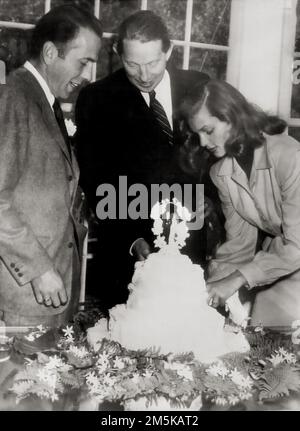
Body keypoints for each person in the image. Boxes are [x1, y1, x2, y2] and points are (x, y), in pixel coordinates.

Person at [75, 10, 213, 308]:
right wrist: (130, 239)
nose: (145, 74)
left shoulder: (200, 87)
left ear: (170, 51)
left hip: (194, 248)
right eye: (132, 64)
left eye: (153, 62)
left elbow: (217, 157)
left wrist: (212, 206)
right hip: (130, 253)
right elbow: (96, 180)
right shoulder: (97, 99)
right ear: (117, 53)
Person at [0, 5, 102, 327]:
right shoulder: (14, 97)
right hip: (25, 296)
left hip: (50, 293)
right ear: (49, 52)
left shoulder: (44, 100)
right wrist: (40, 269)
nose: (86, 75)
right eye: (82, 62)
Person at [184, 79, 300, 327]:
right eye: (197, 134)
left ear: (232, 117)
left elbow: (296, 247)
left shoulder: (291, 157)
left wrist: (236, 280)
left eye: (208, 130)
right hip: (284, 259)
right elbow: (239, 245)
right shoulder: (222, 173)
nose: (203, 143)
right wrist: (208, 290)